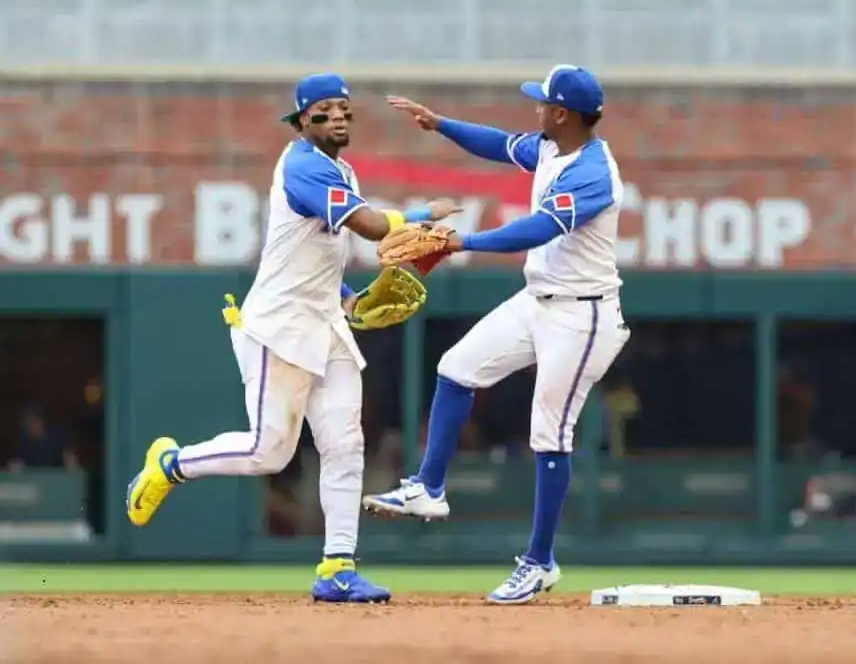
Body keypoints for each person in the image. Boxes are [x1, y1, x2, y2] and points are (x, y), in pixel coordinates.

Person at [125, 73, 460, 604]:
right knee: (269, 452)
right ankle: (171, 464)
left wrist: (351, 301)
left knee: (346, 443)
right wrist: (420, 214)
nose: (340, 116)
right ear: (304, 120)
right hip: (277, 327)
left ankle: (337, 568)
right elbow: (372, 228)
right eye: (326, 109)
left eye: (345, 107)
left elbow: (324, 256)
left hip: (324, 323)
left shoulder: (339, 169)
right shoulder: (303, 165)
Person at [364, 64, 632, 604]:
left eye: (542, 102)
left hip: (583, 316)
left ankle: (539, 562)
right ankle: (429, 488)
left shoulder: (594, 173)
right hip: (539, 300)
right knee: (454, 369)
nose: (534, 109)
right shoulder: (551, 149)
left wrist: (462, 243)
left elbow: (536, 228)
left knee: (549, 435)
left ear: (562, 113)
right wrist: (440, 124)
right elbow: (498, 144)